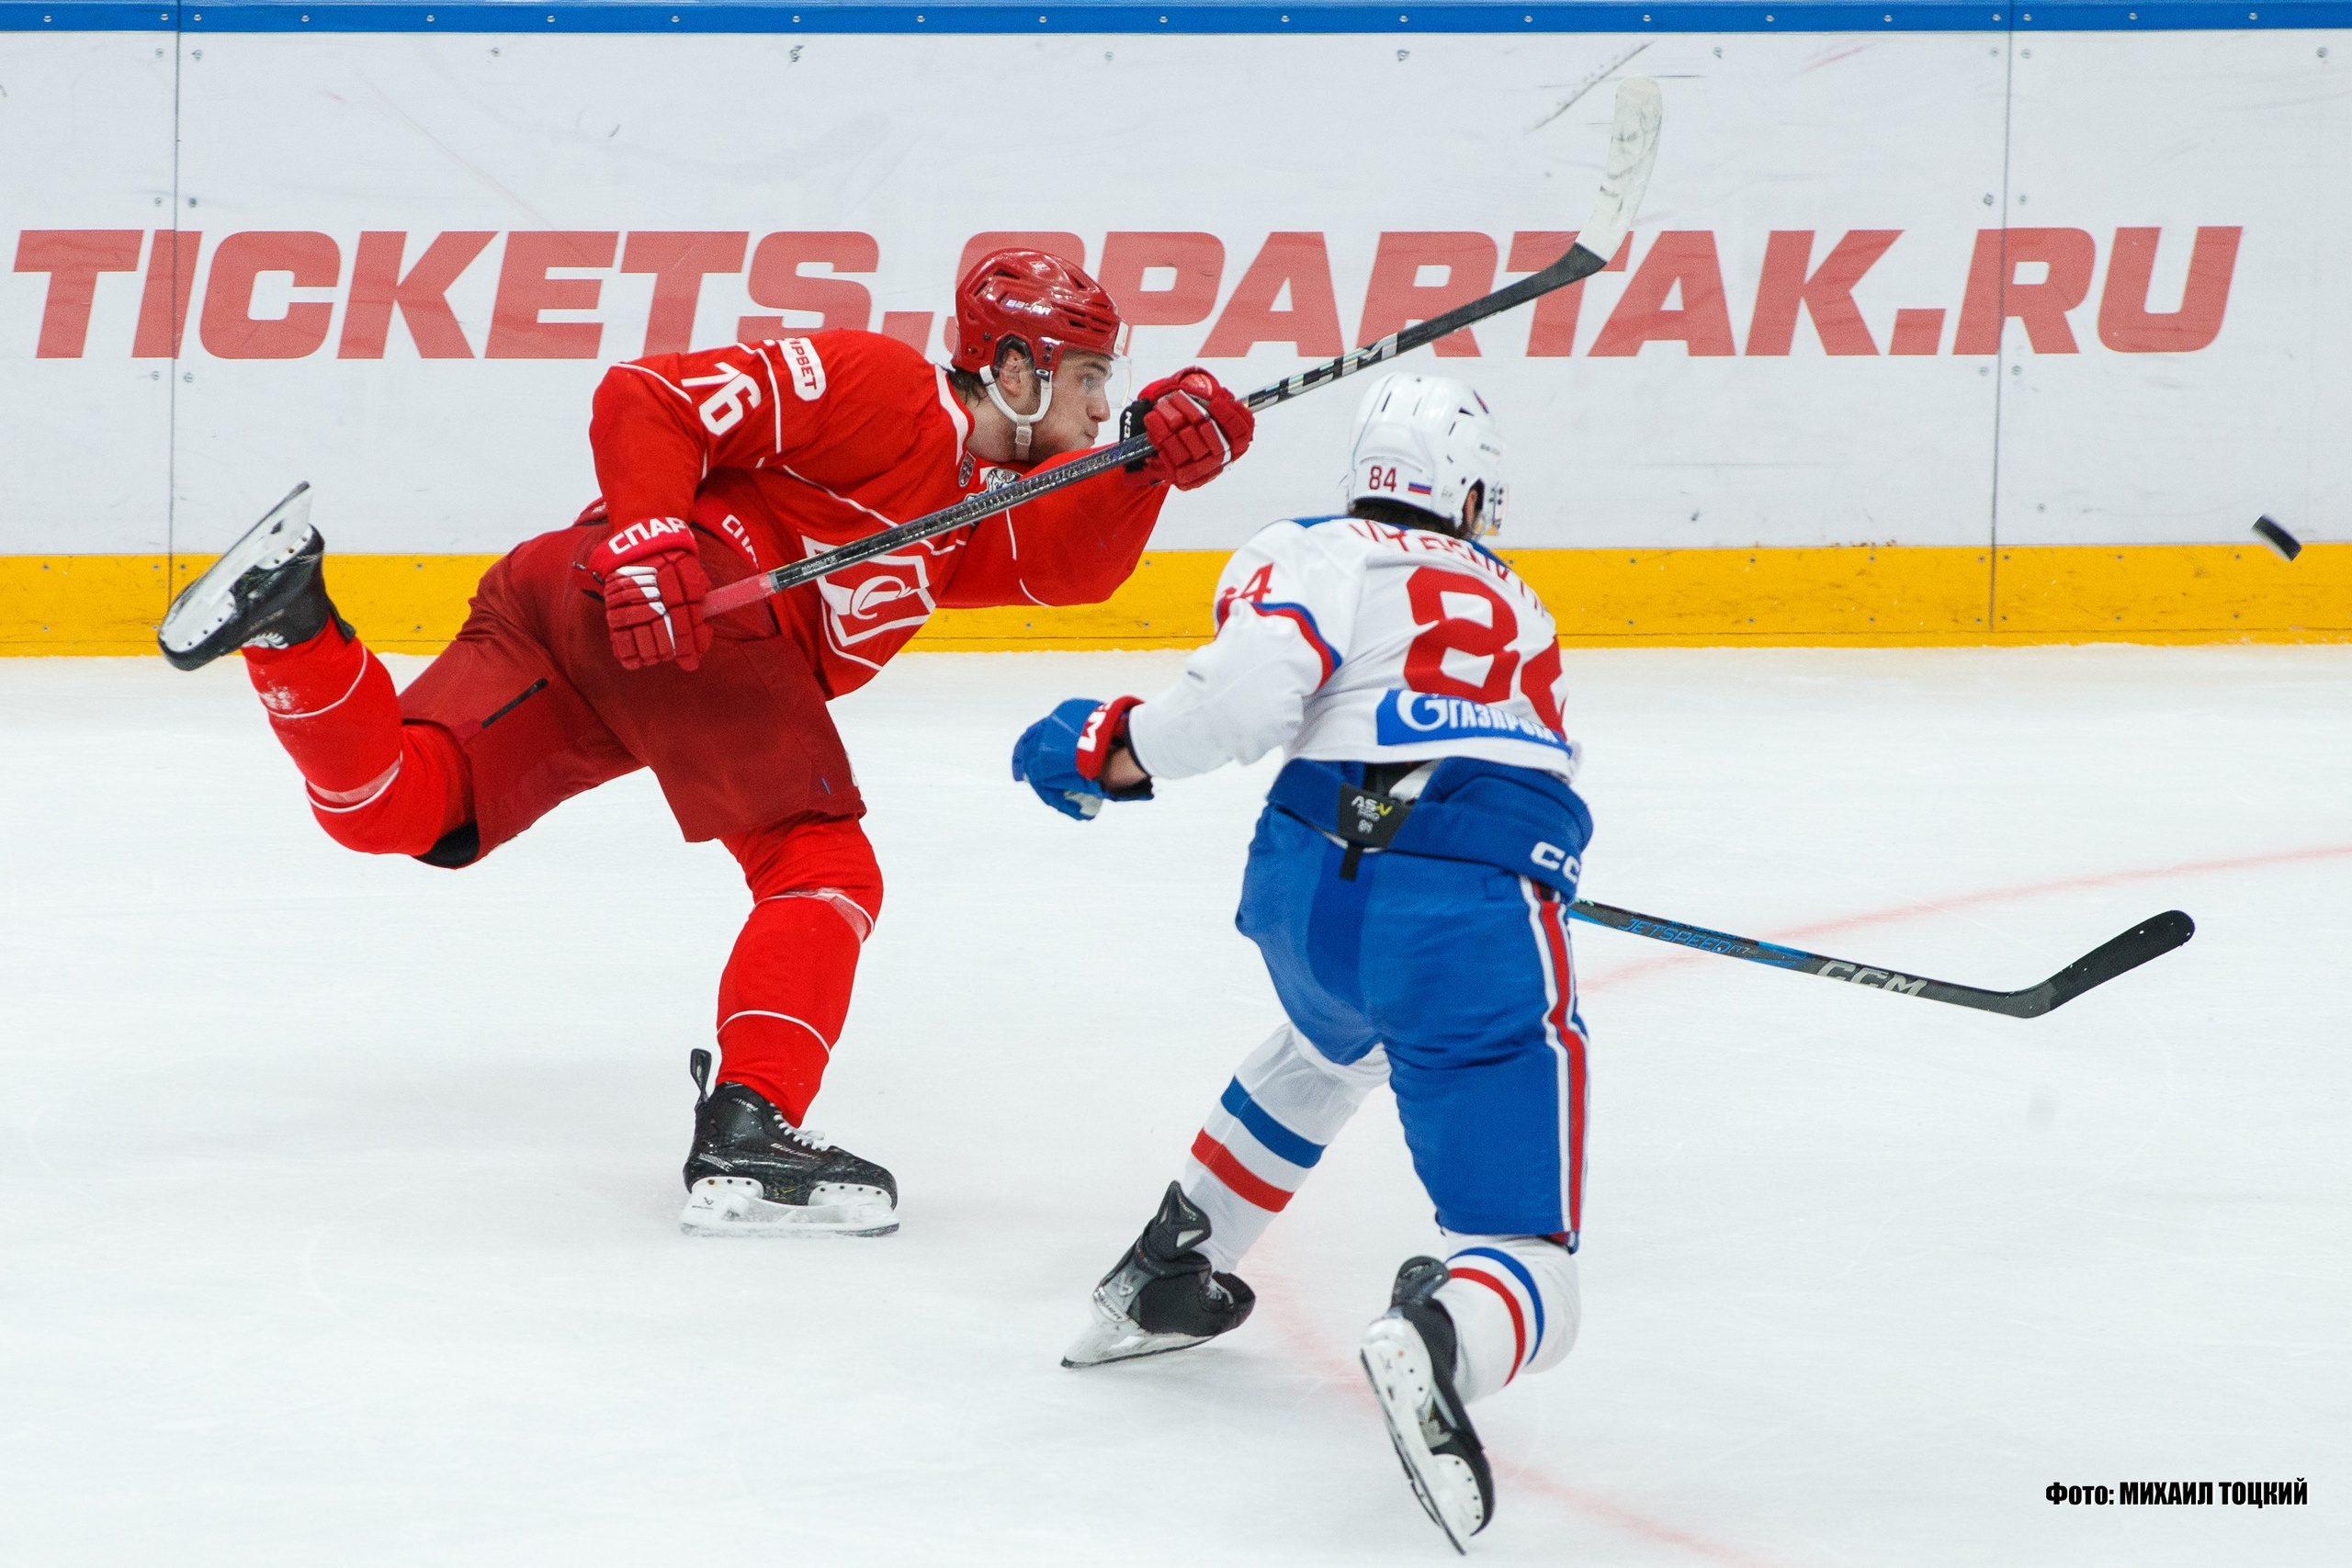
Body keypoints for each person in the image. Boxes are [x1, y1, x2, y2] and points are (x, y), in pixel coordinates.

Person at [158, 250, 1254, 1238]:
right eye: (1086, 379)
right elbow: (648, 395)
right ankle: (750, 1127)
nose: (1102, 399)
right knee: (821, 865)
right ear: (1012, 371)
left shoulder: (977, 498)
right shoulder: (879, 386)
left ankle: (295, 627)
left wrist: (1142, 468)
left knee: (404, 805)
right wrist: (648, 534)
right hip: (686, 612)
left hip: (584, 602)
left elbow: (1067, 569)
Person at [1009, 372, 1586, 1549]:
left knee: (1333, 1043)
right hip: (1465, 913)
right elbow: (1295, 706)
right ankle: (1442, 1337)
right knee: (1532, 1260)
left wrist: (1110, 747)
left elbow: (1251, 694)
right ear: (1466, 493)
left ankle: (1172, 1269)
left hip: (1303, 893)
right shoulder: (1519, 602)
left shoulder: (1314, 546)